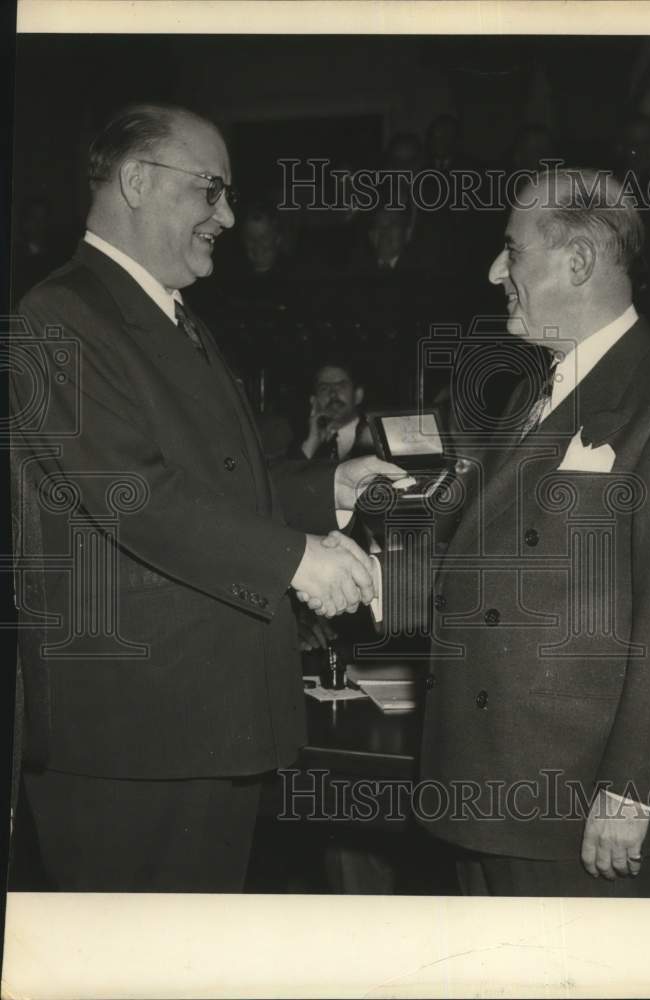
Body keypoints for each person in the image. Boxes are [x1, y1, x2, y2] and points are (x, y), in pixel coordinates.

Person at [10, 103, 406, 892]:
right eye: (211, 192)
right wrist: (297, 560)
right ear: (135, 181)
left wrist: (324, 483)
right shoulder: (60, 315)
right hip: (133, 734)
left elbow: (218, 478)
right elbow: (137, 497)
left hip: (199, 722)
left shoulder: (168, 312)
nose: (227, 216)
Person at [408, 167, 650, 896]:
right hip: (482, 788)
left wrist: (631, 790)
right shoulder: (537, 390)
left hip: (571, 808)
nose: (496, 270)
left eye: (513, 250)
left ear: (578, 261)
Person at [296, 359, 373, 463]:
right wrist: (311, 445)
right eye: (324, 388)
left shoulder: (376, 438)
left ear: (358, 395)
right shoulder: (302, 444)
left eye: (340, 386)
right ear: (314, 401)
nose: (332, 394)